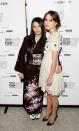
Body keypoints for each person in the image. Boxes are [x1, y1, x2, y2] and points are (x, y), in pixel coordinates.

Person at [14, 17, 46, 120]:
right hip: (29, 70)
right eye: (34, 27)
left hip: (41, 71)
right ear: (32, 28)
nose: (37, 29)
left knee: (38, 92)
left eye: (39, 26)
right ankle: (31, 110)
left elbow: (52, 56)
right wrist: (21, 71)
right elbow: (21, 55)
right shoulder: (27, 39)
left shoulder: (46, 40)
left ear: (43, 27)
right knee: (30, 92)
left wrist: (57, 65)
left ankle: (38, 109)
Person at [39, 10, 64, 126]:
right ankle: (48, 111)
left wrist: (50, 76)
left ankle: (54, 114)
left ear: (56, 23)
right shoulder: (52, 35)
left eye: (51, 20)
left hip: (51, 70)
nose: (47, 23)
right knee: (49, 93)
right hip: (48, 67)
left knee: (53, 96)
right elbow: (55, 56)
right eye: (46, 20)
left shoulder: (55, 37)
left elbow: (54, 59)